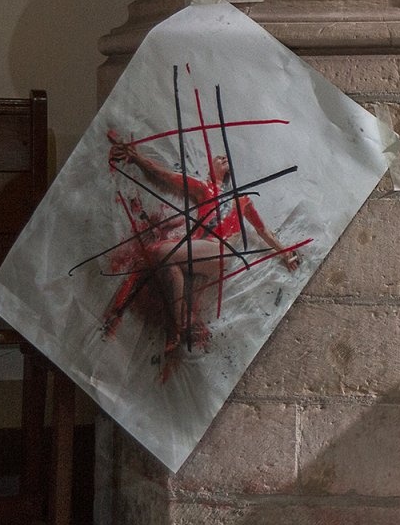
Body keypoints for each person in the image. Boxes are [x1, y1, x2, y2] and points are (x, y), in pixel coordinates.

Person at [107, 135, 301, 375]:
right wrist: (136, 158)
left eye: (226, 159)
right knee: (168, 265)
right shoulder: (203, 188)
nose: (223, 159)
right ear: (210, 167)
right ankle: (176, 328)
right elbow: (164, 176)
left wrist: (285, 253)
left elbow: (263, 231)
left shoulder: (242, 199)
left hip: (219, 249)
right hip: (199, 254)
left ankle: (176, 325)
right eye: (218, 158)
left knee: (158, 251)